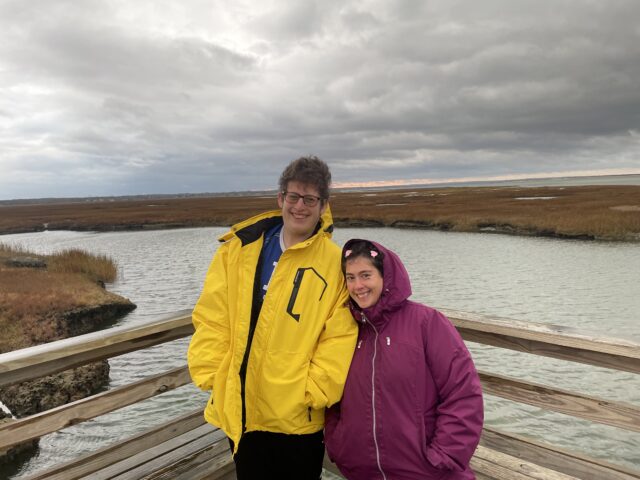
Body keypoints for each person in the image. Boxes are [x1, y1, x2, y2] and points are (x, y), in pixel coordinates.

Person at [188, 156, 358, 480]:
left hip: (297, 419)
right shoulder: (239, 249)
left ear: (323, 206)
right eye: (293, 196)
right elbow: (212, 315)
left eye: (310, 199)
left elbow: (339, 336)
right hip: (242, 410)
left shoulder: (335, 264)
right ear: (280, 198)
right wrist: (214, 374)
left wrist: (312, 393)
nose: (300, 206)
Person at [325, 239, 484, 480]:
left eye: (366, 275)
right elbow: (331, 395)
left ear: (385, 277)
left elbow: (463, 394)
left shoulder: (426, 323)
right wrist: (340, 446)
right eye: (351, 277)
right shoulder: (346, 329)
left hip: (427, 473)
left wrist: (443, 456)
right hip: (363, 472)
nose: (358, 286)